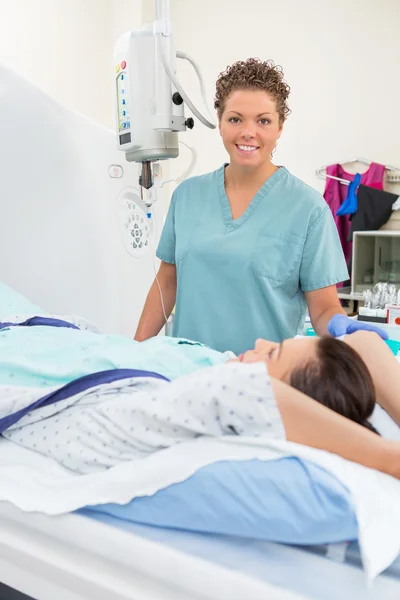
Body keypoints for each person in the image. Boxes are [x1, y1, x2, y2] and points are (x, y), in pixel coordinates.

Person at [134, 58, 387, 355]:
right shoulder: (187, 195)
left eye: (263, 121)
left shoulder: (308, 209)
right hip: (188, 375)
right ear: (220, 123)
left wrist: (340, 327)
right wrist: (133, 353)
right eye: (235, 119)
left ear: (280, 127)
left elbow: (323, 308)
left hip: (260, 380)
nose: (248, 132)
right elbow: (167, 282)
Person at [2, 319, 400, 479]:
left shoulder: (178, 404)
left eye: (272, 354)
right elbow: (363, 342)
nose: (259, 343)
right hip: (41, 327)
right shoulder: (222, 363)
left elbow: (249, 395)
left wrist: (386, 456)